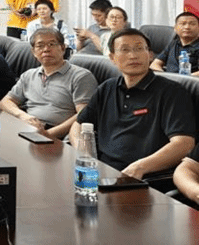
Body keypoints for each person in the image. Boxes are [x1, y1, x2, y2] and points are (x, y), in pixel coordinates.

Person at [71, 28, 195, 180]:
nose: (133, 55)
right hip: (101, 171)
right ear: (112, 57)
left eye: (139, 48)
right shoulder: (107, 87)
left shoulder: (172, 92)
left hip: (141, 177)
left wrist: (140, 167)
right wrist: (83, 152)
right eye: (124, 50)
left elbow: (183, 143)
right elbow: (79, 124)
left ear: (150, 55)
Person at [0, 28, 97, 139]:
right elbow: (5, 102)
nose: (46, 49)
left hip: (59, 135)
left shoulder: (81, 76)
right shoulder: (28, 75)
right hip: (29, 128)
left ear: (63, 48)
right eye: (40, 46)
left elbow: (83, 115)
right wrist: (23, 116)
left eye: (51, 44)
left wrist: (48, 134)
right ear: (34, 52)